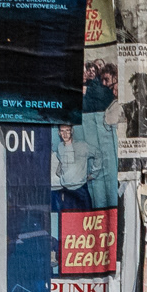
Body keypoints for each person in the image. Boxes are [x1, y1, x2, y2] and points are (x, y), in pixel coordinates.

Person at [77, 59, 120, 211]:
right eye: (102, 79)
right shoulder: (97, 88)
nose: (104, 84)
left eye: (106, 79)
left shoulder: (104, 92)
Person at [51, 124, 93, 212]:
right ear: (59, 133)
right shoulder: (60, 147)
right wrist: (60, 174)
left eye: (67, 130)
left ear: (72, 131)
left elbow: (98, 155)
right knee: (69, 219)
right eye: (62, 131)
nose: (65, 134)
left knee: (87, 218)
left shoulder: (82, 145)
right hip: (67, 191)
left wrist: (93, 173)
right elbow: (61, 163)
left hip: (81, 189)